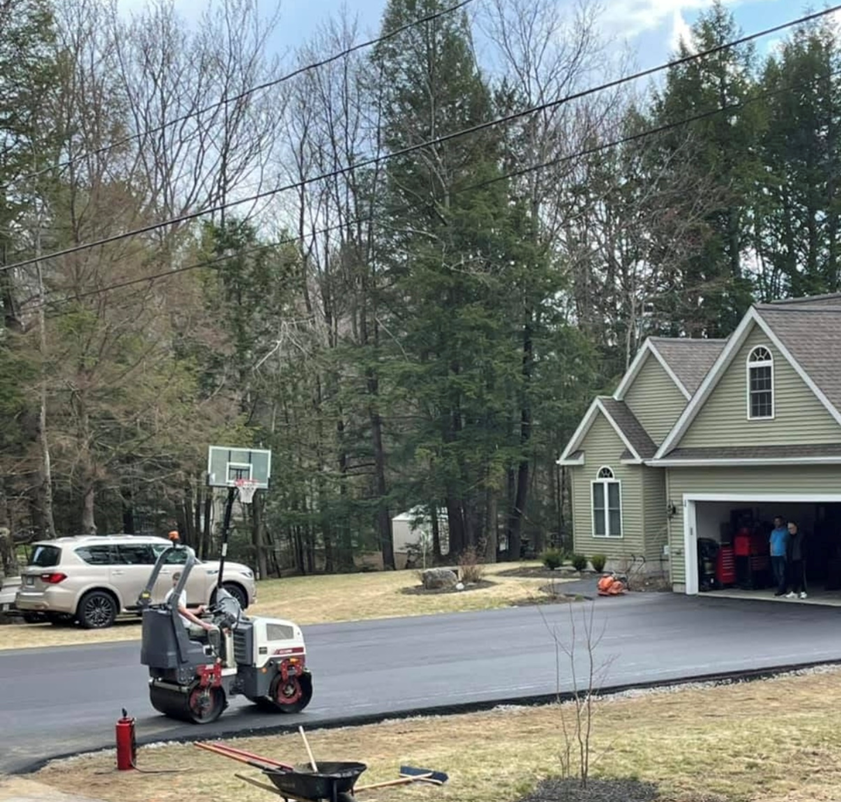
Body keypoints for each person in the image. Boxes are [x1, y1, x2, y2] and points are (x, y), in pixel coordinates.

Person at [785, 521, 807, 600]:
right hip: (792, 559)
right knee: (793, 576)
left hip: (800, 559)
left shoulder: (802, 536)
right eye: (788, 528)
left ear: (795, 527)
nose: (790, 530)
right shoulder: (788, 537)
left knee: (801, 576)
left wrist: (804, 557)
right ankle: (794, 592)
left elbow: (805, 547)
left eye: (791, 528)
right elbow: (788, 548)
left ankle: (803, 591)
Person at [769, 515, 789, 597]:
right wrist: (771, 553)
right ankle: (782, 588)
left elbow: (788, 543)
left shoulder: (785, 532)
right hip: (774, 555)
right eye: (775, 521)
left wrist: (787, 554)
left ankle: (781, 590)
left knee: (782, 573)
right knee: (776, 573)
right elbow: (771, 543)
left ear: (782, 522)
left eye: (778, 521)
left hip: (782, 555)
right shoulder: (773, 532)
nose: (776, 523)